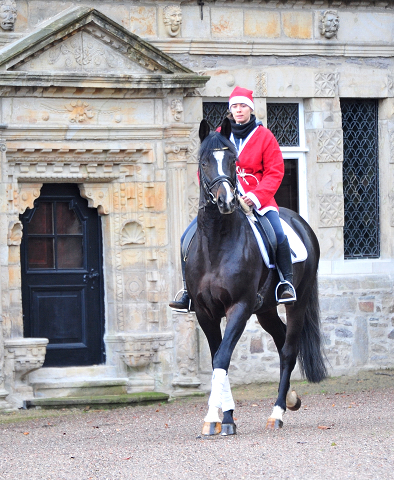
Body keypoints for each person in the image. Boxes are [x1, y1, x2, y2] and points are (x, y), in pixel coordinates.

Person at [169, 86, 296, 312]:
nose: (239, 110)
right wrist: (216, 193)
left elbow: (275, 172)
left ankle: (285, 283)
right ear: (230, 110)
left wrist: (255, 197)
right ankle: (188, 292)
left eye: (243, 106)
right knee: (185, 238)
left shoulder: (264, 136)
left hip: (258, 200)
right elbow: (205, 168)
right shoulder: (218, 135)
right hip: (224, 200)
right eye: (235, 106)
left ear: (250, 109)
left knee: (278, 234)